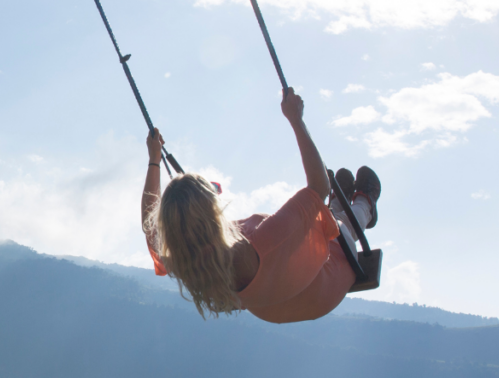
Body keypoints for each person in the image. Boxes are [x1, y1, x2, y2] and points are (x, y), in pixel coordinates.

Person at [142, 88, 380, 323]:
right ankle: (364, 205)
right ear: (210, 211)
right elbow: (319, 186)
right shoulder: (263, 242)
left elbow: (150, 229)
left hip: (275, 308)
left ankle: (337, 207)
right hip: (323, 285)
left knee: (318, 214)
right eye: (214, 192)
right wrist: (296, 119)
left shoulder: (187, 261)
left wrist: (154, 160)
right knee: (338, 229)